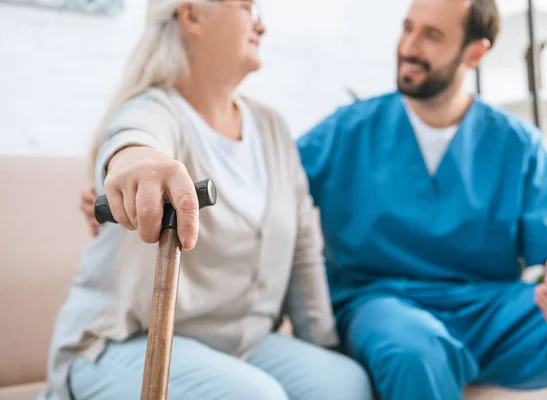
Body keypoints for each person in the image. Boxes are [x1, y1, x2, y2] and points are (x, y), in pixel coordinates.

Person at [40, 0, 374, 399]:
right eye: (247, 7)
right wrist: (137, 162)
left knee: (342, 383)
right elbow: (134, 138)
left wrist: (320, 349)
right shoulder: (156, 110)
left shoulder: (272, 129)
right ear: (192, 16)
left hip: (240, 344)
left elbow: (304, 255)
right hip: (119, 340)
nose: (261, 27)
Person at [295, 0, 547, 399]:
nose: (408, 45)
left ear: (475, 53)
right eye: (408, 28)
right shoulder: (346, 131)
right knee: (417, 352)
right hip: (386, 307)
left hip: (487, 313)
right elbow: (268, 194)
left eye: (431, 35)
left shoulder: (516, 143)